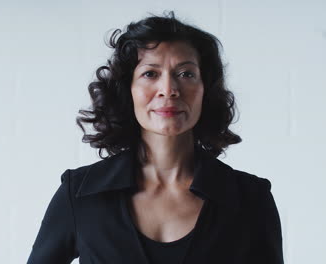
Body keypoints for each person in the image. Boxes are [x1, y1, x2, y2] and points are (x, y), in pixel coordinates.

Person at [27, 11, 284, 264]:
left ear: (206, 90)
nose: (169, 90)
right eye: (150, 73)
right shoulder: (80, 193)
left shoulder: (250, 199)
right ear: (128, 89)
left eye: (186, 74)